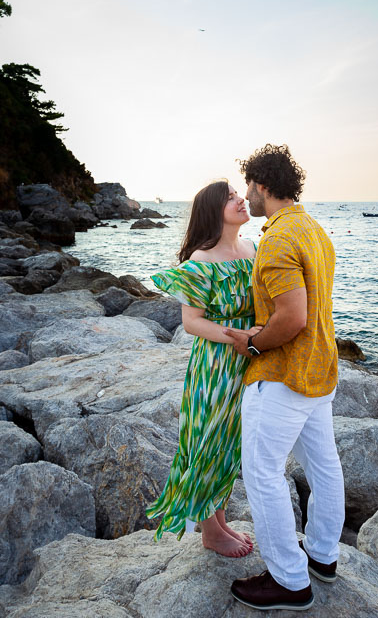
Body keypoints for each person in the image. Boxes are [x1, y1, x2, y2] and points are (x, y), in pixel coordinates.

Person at [224, 144, 345, 610]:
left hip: (283, 376)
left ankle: (289, 582)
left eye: (250, 187)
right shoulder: (313, 230)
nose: (248, 197)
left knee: (262, 473)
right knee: (324, 467)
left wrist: (252, 342)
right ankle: (323, 556)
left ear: (263, 185)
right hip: (319, 372)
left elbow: (292, 317)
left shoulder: (276, 240)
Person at [145, 180, 257, 558]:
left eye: (239, 194)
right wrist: (238, 336)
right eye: (231, 198)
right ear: (213, 210)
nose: (242, 199)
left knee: (229, 443)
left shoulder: (251, 248)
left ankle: (220, 520)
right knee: (207, 439)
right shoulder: (202, 260)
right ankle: (210, 531)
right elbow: (192, 322)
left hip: (249, 361)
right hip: (216, 364)